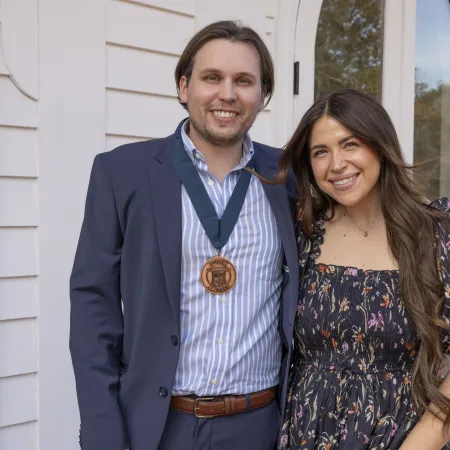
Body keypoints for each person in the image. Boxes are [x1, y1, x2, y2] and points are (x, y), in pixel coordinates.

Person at [70, 21, 299, 450]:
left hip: (262, 426)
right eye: (212, 77)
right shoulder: (121, 172)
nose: (227, 94)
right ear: (183, 87)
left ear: (262, 96)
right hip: (158, 427)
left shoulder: (288, 177)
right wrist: (103, 434)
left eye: (244, 81)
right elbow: (92, 310)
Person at [276, 89, 450, 449]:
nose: (336, 164)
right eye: (320, 152)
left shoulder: (436, 233)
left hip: (411, 437)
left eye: (350, 144)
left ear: (380, 146)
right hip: (307, 435)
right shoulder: (301, 236)